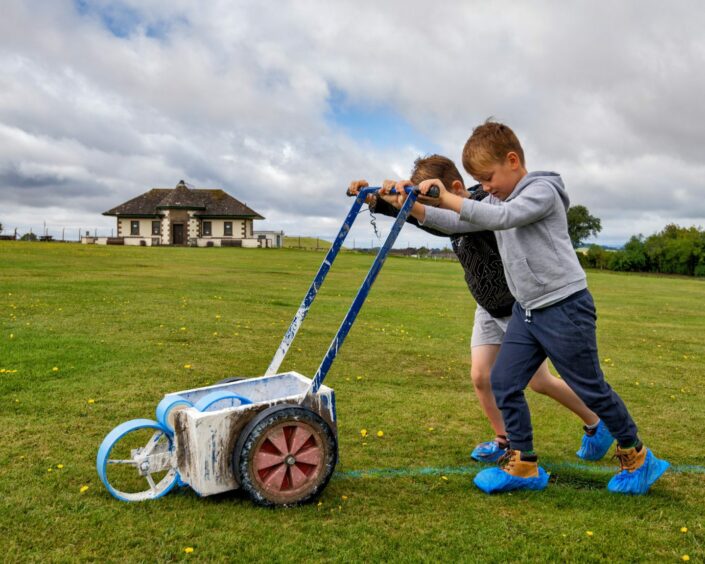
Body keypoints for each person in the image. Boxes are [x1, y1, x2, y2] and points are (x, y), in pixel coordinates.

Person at [397, 120, 669, 494]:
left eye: (488, 177)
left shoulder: (541, 191)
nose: (485, 187)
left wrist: (447, 196)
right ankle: (523, 465)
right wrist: (404, 205)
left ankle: (637, 455)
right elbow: (455, 220)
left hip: (564, 307)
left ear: (512, 160)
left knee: (591, 388)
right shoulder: (495, 199)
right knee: (504, 382)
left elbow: (502, 218)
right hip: (528, 310)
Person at [348, 155, 612, 464]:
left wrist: (400, 205)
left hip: (516, 307)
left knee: (538, 381)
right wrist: (377, 199)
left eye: (434, 203)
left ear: (455, 187)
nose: (434, 212)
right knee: (480, 376)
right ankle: (504, 439)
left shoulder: (486, 206)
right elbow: (431, 219)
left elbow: (444, 223)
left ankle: (597, 423)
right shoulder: (452, 208)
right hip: (487, 307)